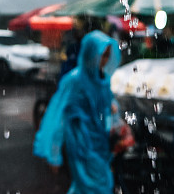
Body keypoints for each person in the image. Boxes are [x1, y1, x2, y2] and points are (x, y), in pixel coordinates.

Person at [34, 30, 121, 194]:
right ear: (90, 53)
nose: (105, 60)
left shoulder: (102, 80)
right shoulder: (74, 81)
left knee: (93, 186)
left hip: (100, 142)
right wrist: (54, 153)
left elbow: (108, 106)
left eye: (108, 56)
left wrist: (113, 113)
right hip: (80, 143)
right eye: (102, 55)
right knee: (93, 185)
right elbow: (59, 117)